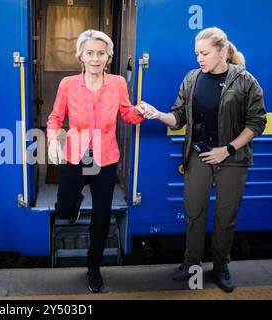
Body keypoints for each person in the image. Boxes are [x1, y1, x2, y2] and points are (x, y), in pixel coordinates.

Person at [141, 27, 267, 292]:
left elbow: (257, 123)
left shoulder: (245, 80)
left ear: (222, 51)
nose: (199, 58)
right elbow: (179, 116)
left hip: (232, 159)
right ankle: (192, 264)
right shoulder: (192, 78)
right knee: (194, 212)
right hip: (199, 155)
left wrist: (227, 149)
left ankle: (221, 266)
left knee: (225, 216)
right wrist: (158, 114)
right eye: (197, 53)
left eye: (205, 53)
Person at [47, 29, 145, 293]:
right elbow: (55, 118)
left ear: (108, 57)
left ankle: (93, 268)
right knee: (64, 210)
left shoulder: (117, 84)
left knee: (101, 218)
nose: (95, 58)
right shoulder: (68, 84)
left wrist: (140, 112)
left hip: (105, 160)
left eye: (101, 53)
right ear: (80, 55)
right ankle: (74, 203)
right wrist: (53, 141)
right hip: (75, 156)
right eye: (90, 53)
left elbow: (126, 114)